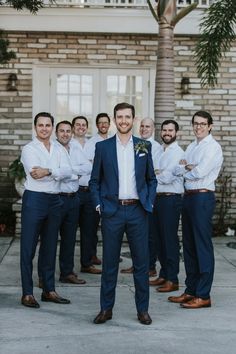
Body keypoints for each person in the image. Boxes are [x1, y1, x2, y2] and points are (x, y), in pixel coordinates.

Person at [89, 102, 157, 325]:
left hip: (138, 210)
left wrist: (149, 202)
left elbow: (151, 179)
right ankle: (106, 309)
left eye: (128, 117)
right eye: (120, 117)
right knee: (109, 263)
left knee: (141, 263)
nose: (124, 121)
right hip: (112, 211)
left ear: (134, 120)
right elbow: (95, 181)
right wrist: (100, 205)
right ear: (114, 119)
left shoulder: (143, 146)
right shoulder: (103, 147)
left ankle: (143, 310)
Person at [169, 111, 223, 308]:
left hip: (202, 197)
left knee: (202, 246)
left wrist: (188, 168)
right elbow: (177, 169)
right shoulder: (192, 146)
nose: (198, 127)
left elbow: (200, 172)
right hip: (189, 197)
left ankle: (203, 294)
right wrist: (188, 168)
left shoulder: (213, 147)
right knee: (189, 246)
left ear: (210, 126)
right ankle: (190, 290)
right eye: (195, 123)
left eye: (202, 124)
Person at [20, 112, 70, 308]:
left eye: (48, 125)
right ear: (35, 127)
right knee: (28, 248)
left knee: (50, 247)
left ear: (52, 127)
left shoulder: (59, 148)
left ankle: (49, 290)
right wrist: (57, 172)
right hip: (35, 199)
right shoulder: (29, 148)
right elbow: (35, 173)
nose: (44, 128)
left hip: (55, 201)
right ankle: (27, 293)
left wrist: (49, 170)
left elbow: (68, 172)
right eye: (40, 125)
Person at [38, 121, 92, 286]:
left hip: (73, 198)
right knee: (50, 238)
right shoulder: (52, 149)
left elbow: (88, 167)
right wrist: (71, 172)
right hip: (56, 198)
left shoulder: (75, 147)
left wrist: (68, 172)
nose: (65, 134)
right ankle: (44, 277)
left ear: (72, 132)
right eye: (62, 131)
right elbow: (53, 172)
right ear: (56, 132)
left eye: (68, 131)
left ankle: (67, 273)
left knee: (69, 238)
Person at [120, 117, 161, 276]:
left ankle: (149, 267)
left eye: (147, 126)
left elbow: (153, 173)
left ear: (153, 129)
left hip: (146, 197)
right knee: (137, 236)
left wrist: (149, 201)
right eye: (142, 126)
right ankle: (138, 265)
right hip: (136, 197)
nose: (144, 129)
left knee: (149, 235)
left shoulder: (154, 146)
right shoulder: (138, 144)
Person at [149, 120, 184, 292]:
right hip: (157, 199)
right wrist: (157, 173)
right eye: (164, 130)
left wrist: (157, 173)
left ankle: (172, 278)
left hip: (171, 199)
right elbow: (150, 172)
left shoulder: (178, 152)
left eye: (171, 130)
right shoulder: (159, 151)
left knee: (169, 239)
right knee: (159, 238)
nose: (167, 133)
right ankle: (163, 274)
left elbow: (168, 177)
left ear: (176, 132)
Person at [72, 116, 101, 274]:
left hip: (90, 192)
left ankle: (87, 263)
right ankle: (67, 268)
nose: (81, 127)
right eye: (78, 125)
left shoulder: (94, 144)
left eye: (84, 125)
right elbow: (69, 168)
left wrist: (85, 165)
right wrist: (86, 165)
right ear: (73, 127)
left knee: (89, 230)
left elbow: (97, 166)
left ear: (87, 127)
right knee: (69, 231)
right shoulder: (68, 144)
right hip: (74, 192)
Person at [85, 113, 112, 265]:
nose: (103, 125)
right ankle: (92, 255)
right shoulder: (92, 143)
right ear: (97, 125)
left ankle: (110, 254)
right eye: (100, 123)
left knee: (110, 226)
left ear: (109, 124)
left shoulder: (114, 140)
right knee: (92, 226)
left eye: (105, 122)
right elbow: (90, 163)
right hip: (96, 189)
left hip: (110, 189)